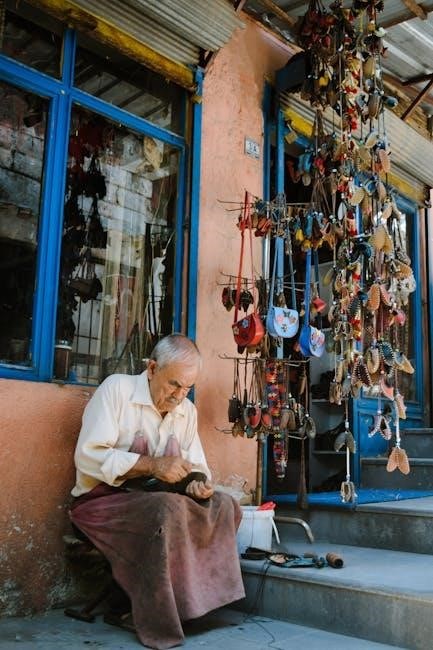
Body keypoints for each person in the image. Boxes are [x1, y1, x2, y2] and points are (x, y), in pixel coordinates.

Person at [69, 334, 245, 649]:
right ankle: (156, 614)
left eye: (188, 388)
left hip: (159, 501)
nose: (179, 396)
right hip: (101, 502)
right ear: (152, 369)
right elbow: (88, 457)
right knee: (167, 509)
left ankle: (194, 605)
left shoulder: (186, 411)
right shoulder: (117, 390)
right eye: (174, 384)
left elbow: (198, 466)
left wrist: (197, 484)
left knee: (225, 505)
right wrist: (152, 465)